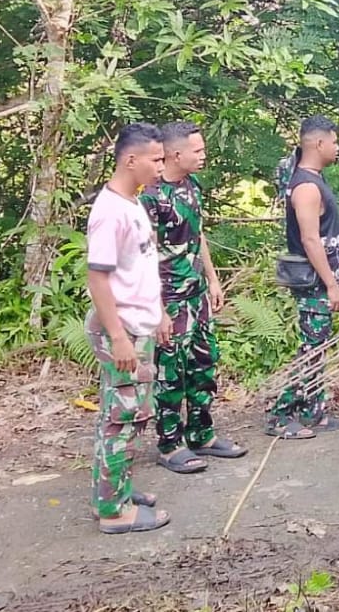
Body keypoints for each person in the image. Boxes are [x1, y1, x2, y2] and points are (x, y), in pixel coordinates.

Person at [139, 122, 246, 475]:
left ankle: (202, 433)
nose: (203, 156)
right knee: (172, 373)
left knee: (204, 364)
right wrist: (157, 310)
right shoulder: (150, 197)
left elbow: (198, 236)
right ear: (175, 153)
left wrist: (213, 280)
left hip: (197, 294)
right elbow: (144, 256)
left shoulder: (191, 185)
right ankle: (170, 444)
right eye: (197, 151)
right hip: (168, 298)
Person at [85, 122, 171, 534]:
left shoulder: (133, 203)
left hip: (139, 325)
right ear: (130, 159)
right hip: (121, 331)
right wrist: (119, 337)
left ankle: (115, 489)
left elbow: (138, 269)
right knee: (121, 418)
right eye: (156, 159)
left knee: (128, 415)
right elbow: (97, 278)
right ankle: (114, 513)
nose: (161, 165)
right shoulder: (110, 212)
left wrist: (158, 315)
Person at [267, 115, 339, 440]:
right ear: (318, 143)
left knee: (318, 345)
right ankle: (281, 414)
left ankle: (313, 411)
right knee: (311, 348)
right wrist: (330, 283)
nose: (337, 146)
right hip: (313, 284)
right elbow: (310, 239)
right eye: (334, 140)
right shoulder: (306, 187)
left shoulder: (315, 179)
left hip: (324, 281)